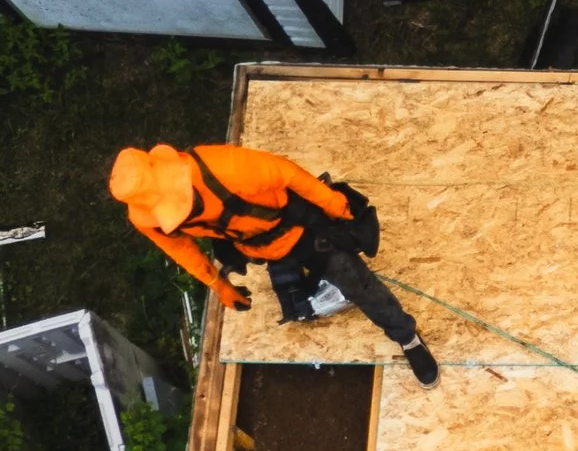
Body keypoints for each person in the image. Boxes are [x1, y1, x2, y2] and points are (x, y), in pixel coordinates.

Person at [108, 142, 441, 387]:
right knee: (287, 280)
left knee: (358, 284)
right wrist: (218, 285)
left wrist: (335, 206)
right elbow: (179, 248)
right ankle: (303, 277)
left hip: (298, 228)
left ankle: (407, 336)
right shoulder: (148, 217)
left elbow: (289, 174)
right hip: (254, 244)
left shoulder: (227, 168)